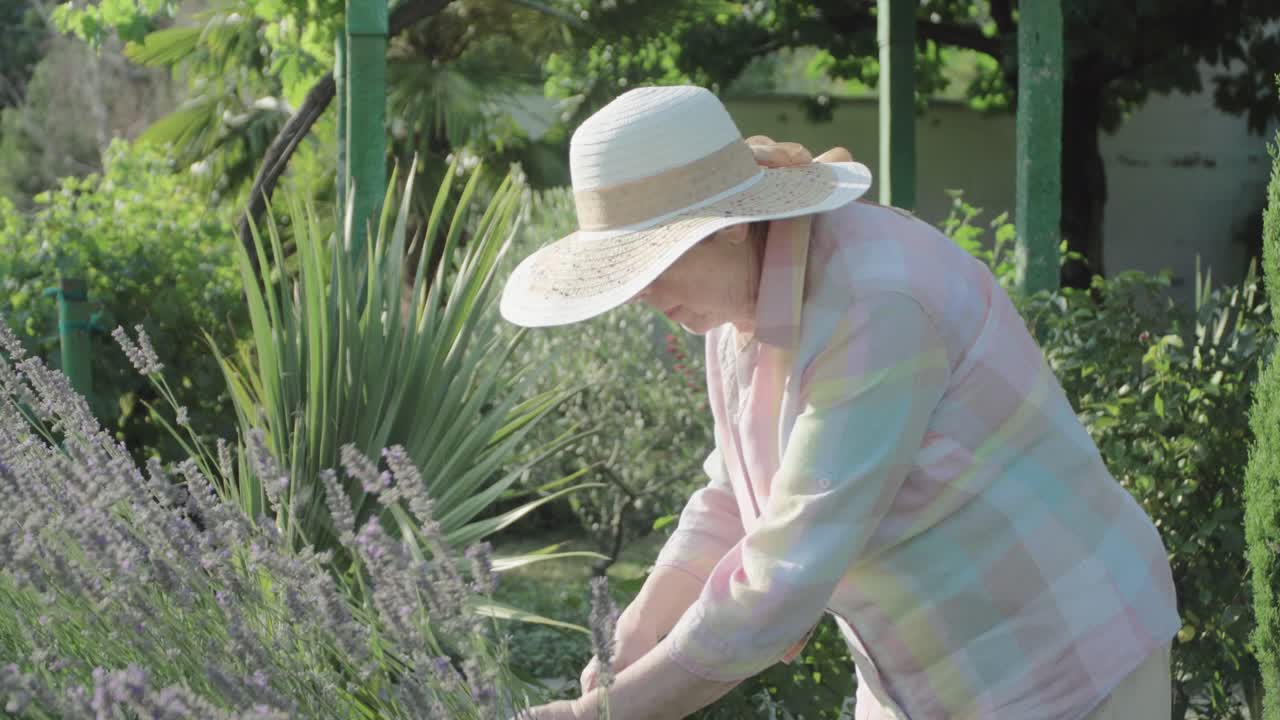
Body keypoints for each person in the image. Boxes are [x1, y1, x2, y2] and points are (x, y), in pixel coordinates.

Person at [500, 85, 1179, 720]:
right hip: (926, 676)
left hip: (1062, 658)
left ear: (729, 225)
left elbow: (782, 577)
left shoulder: (874, 302)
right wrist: (641, 625)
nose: (639, 294)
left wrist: (608, 713)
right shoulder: (734, 300)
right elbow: (738, 491)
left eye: (651, 263)